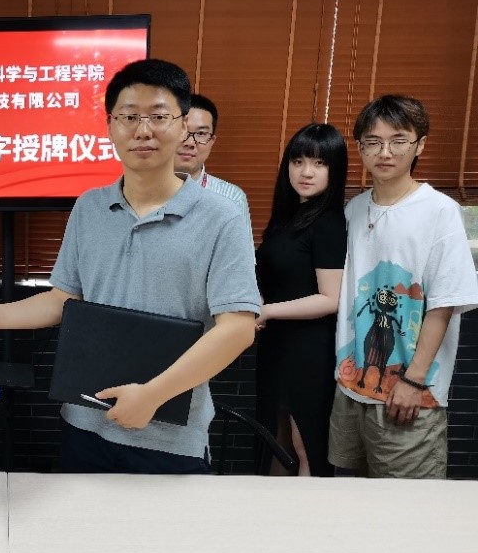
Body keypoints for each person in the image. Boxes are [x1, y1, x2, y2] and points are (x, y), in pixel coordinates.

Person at [0, 59, 260, 474]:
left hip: (170, 438)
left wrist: (153, 395)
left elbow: (238, 328)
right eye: (129, 116)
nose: (143, 130)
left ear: (182, 126)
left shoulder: (221, 217)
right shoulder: (89, 207)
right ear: (110, 126)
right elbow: (64, 299)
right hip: (85, 424)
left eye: (159, 116)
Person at [329, 96, 478, 479]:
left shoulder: (440, 210)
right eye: (373, 142)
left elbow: (444, 303)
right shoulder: (353, 209)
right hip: (351, 390)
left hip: (410, 394)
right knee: (346, 497)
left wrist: (413, 380)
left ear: (419, 145)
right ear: (360, 147)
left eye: (398, 140)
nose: (385, 152)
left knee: (407, 504)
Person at [255, 123, 348, 477]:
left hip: (309, 350)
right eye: (298, 161)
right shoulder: (290, 216)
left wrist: (265, 310)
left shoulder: (328, 221)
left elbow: (330, 298)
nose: (306, 172)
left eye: (319, 163)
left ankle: (309, 511)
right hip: (277, 345)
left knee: (304, 444)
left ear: (334, 170)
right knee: (275, 440)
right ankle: (271, 510)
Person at [174, 92, 253, 243]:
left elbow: (241, 257)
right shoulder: (138, 192)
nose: (190, 142)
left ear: (212, 141)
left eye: (201, 133)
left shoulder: (232, 198)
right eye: (181, 130)